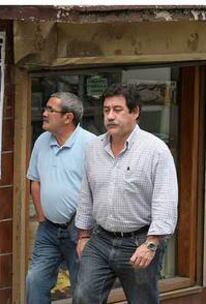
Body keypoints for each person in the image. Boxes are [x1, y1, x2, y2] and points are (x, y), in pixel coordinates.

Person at [74, 83, 178, 304]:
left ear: (135, 112)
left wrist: (151, 244)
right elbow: (86, 194)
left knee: (142, 301)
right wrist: (83, 235)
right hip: (100, 240)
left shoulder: (156, 150)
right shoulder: (94, 148)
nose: (110, 116)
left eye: (117, 110)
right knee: (83, 297)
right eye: (106, 110)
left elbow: (165, 200)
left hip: (139, 241)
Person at [26, 92, 96, 304]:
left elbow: (100, 188)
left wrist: (85, 228)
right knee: (34, 281)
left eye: (50, 110)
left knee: (82, 288)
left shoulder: (91, 144)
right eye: (45, 109)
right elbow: (34, 180)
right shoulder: (41, 141)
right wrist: (41, 216)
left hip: (80, 229)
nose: (44, 114)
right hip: (48, 228)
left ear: (68, 117)